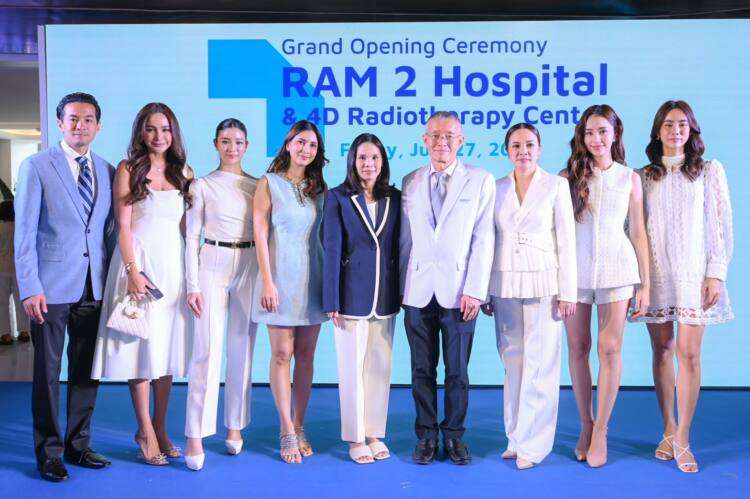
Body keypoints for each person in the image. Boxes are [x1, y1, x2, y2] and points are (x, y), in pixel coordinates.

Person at [14, 92, 113, 481]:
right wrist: (29, 287)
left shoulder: (106, 170)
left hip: (94, 286)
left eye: (88, 119)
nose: (80, 126)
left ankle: (78, 444)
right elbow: (24, 233)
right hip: (49, 288)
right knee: (48, 372)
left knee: (87, 371)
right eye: (73, 119)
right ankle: (49, 452)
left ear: (98, 126)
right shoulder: (37, 166)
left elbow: (106, 233)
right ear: (60, 123)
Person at [632, 100, 733, 473]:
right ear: (657, 131)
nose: (675, 131)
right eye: (668, 124)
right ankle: (668, 429)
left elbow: (720, 223)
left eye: (682, 124)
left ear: (692, 130)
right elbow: (634, 230)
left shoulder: (708, 171)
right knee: (662, 350)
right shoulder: (643, 176)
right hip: (657, 274)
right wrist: (640, 280)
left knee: (689, 354)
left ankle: (685, 438)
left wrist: (716, 273)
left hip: (694, 275)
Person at [92, 102, 193, 466]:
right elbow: (124, 226)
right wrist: (133, 271)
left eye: (165, 129)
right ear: (141, 132)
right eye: (151, 129)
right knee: (140, 350)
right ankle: (145, 430)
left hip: (173, 270)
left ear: (173, 132)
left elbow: (188, 229)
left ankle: (161, 427)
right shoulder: (128, 169)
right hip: (138, 267)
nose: (158, 136)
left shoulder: (185, 172)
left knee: (166, 351)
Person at [400, 111, 495, 465]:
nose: (442, 142)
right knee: (420, 370)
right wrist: (400, 291)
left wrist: (476, 290)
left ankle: (454, 436)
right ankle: (426, 436)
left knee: (457, 372)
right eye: (436, 135)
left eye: (449, 136)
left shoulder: (480, 180)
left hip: (460, 293)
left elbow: (483, 238)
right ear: (425, 140)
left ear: (461, 141)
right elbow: (405, 241)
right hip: (417, 291)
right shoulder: (410, 180)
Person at [481, 123, 576, 470]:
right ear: (507, 150)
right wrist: (485, 289)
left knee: (542, 363)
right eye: (516, 145)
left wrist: (568, 292)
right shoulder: (496, 187)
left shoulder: (556, 186)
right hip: (504, 282)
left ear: (540, 148)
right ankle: (516, 437)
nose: (523, 151)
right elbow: (488, 239)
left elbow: (566, 240)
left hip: (544, 282)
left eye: (529, 145)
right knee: (513, 361)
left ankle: (534, 446)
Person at [561, 105, 650, 467]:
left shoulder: (630, 178)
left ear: (615, 134)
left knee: (610, 349)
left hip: (618, 269)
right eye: (589, 132)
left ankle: (601, 429)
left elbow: (638, 233)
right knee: (578, 347)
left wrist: (645, 285)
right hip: (576, 272)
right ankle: (585, 424)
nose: (596, 139)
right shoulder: (567, 177)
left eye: (602, 131)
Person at [183, 119, 259, 471]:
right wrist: (192, 284)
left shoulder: (257, 186)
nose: (232, 148)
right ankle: (195, 435)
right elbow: (191, 236)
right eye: (226, 141)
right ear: (216, 143)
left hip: (250, 264)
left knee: (242, 348)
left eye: (238, 142)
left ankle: (234, 425)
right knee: (206, 351)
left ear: (247, 146)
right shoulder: (202, 185)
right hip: (212, 262)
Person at [252, 120, 328, 464]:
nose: (306, 149)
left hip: (312, 278)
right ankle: (285, 429)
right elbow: (259, 233)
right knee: (282, 353)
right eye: (300, 142)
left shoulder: (319, 188)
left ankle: (299, 425)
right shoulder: (268, 183)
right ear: (288, 144)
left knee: (306, 355)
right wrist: (268, 281)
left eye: (312, 145)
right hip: (279, 277)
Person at [322, 133, 401, 464]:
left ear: (383, 162)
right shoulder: (337, 197)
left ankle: (374, 433)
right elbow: (331, 248)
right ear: (353, 161)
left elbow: (399, 246)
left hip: (385, 297)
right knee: (351, 369)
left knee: (379, 369)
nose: (369, 164)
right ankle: (355, 438)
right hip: (349, 297)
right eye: (363, 158)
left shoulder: (394, 197)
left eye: (375, 158)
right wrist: (331, 299)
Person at [1, 198, 30, 345]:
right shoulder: (21, 228)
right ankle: (24, 332)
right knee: (21, 302)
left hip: (1, 270)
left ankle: (5, 334)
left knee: (2, 303)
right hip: (19, 270)